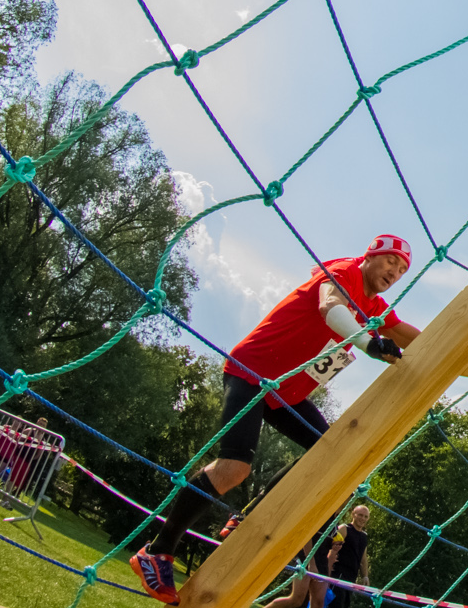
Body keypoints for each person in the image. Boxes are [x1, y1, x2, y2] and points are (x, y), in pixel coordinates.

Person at [131, 235, 420, 604]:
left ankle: (247, 514)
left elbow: (406, 334)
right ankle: (157, 551)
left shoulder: (375, 306)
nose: (395, 272)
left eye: (402, 270)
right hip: (252, 372)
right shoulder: (343, 272)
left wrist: (465, 347)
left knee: (334, 453)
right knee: (234, 468)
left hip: (286, 394)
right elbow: (330, 306)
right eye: (391, 261)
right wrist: (367, 343)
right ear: (370, 256)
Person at [325, 504, 373, 605]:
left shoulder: (364, 536)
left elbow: (363, 559)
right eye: (360, 515)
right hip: (337, 575)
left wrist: (365, 576)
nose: (362, 518)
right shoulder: (344, 529)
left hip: (351, 579)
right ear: (353, 514)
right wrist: (327, 573)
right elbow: (331, 550)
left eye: (365, 516)